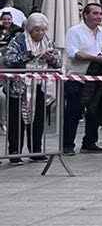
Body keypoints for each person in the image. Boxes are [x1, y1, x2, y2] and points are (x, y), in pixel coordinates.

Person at [5, 12, 58, 161]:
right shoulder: (18, 40)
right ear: (29, 29)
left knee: (38, 119)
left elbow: (58, 62)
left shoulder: (47, 41)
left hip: (40, 86)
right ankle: (14, 152)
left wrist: (50, 58)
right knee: (17, 121)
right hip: (19, 88)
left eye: (43, 30)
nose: (40, 33)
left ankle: (36, 150)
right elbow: (9, 59)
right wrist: (29, 55)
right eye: (37, 30)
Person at [61, 0, 102, 153]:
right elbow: (73, 53)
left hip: (98, 77)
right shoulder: (74, 31)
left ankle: (89, 142)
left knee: (95, 110)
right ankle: (68, 144)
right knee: (74, 111)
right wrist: (95, 58)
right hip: (78, 77)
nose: (99, 16)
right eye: (95, 13)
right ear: (85, 15)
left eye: (100, 14)